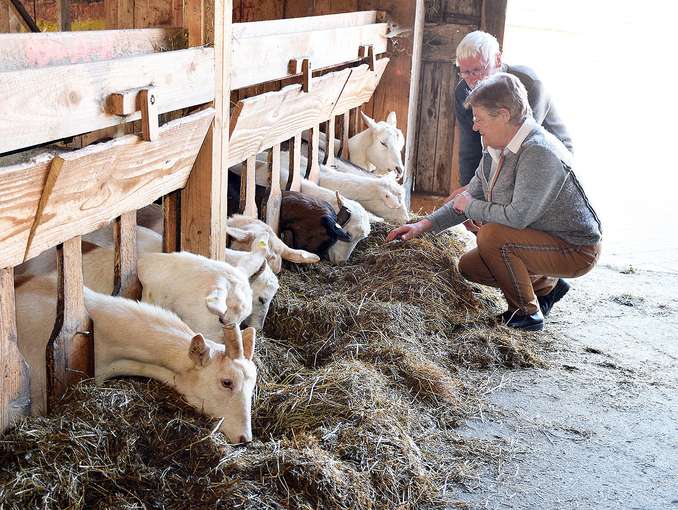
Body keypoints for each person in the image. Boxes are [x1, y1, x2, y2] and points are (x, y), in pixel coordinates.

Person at [386, 73, 601, 331]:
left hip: (576, 248)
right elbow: (469, 196)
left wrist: (471, 207)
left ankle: (526, 314)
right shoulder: (497, 148)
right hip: (542, 238)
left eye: (479, 119)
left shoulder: (538, 152)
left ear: (503, 115)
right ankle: (547, 286)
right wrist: (423, 226)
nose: (475, 126)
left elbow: (516, 216)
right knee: (471, 267)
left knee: (491, 237)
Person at [452, 31, 573, 232]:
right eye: (465, 72)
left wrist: (478, 200)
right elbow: (470, 146)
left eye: (477, 70)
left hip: (546, 155)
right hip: (508, 151)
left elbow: (522, 141)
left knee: (509, 214)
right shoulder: (463, 90)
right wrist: (468, 190)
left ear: (497, 59)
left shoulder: (529, 83)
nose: (472, 80)